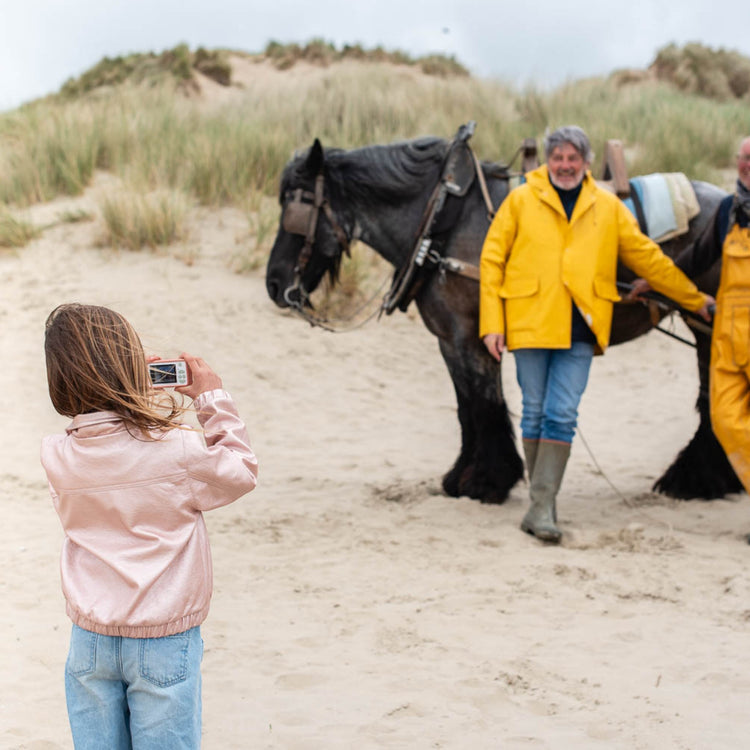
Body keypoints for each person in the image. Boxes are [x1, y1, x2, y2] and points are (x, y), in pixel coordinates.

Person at [479, 125, 714, 544]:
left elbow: (649, 259)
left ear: (585, 163)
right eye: (558, 158)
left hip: (581, 328)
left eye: (573, 159)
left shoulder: (606, 206)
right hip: (529, 321)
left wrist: (694, 299)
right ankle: (542, 506)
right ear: (549, 161)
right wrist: (492, 324)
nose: (565, 166)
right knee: (534, 410)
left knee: (562, 413)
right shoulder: (520, 200)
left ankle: (540, 506)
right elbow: (492, 261)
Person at [40, 303, 258, 749]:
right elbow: (240, 472)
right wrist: (210, 398)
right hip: (163, 637)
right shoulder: (176, 449)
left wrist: (124, 393)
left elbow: (105, 441)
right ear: (128, 368)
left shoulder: (57, 455)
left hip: (90, 641)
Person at [634, 136, 750, 538]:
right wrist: (656, 281)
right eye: (745, 159)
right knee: (727, 419)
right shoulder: (728, 211)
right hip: (729, 337)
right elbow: (696, 258)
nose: (748, 166)